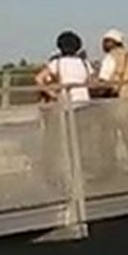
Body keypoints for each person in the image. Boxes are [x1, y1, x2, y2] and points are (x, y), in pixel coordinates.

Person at [35, 31, 95, 180]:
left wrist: (52, 94)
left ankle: (69, 173)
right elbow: (91, 81)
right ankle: (80, 171)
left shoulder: (57, 63)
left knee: (66, 141)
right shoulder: (84, 63)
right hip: (84, 104)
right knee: (82, 141)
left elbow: (39, 79)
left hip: (67, 105)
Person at [96, 29, 128, 178]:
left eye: (106, 41)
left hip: (115, 102)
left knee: (108, 138)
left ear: (112, 42)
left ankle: (108, 169)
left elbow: (104, 80)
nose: (103, 44)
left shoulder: (110, 57)